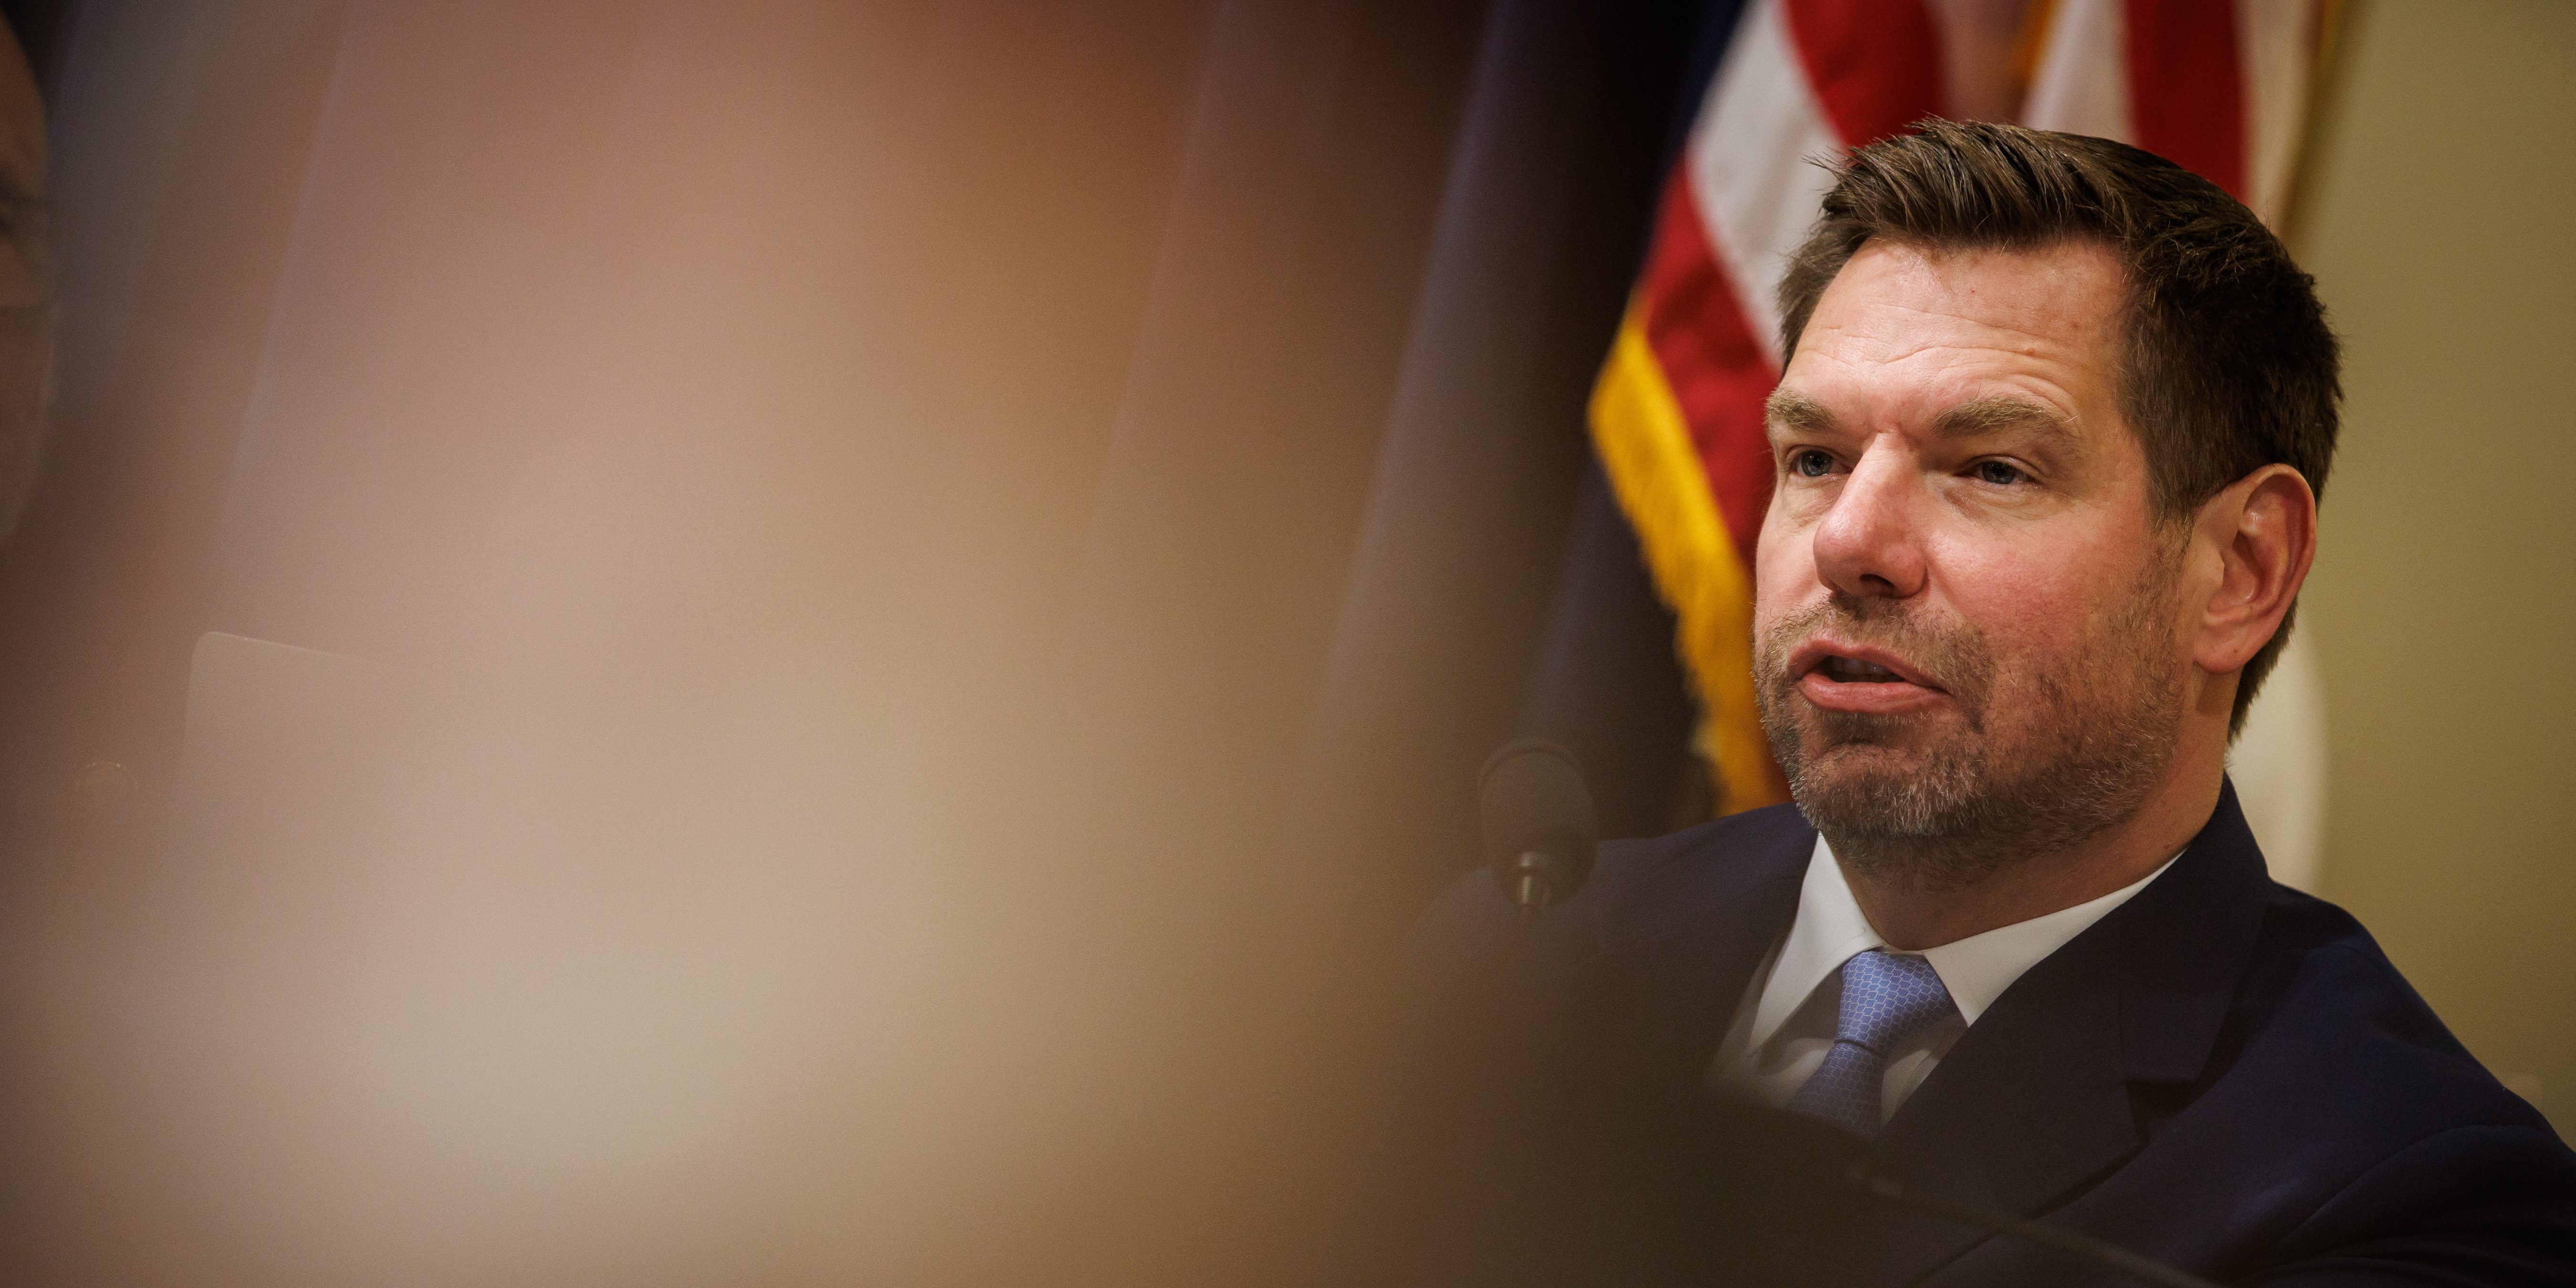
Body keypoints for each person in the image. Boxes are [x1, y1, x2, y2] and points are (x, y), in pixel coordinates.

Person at [1417, 121, 2576, 1285]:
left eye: (1990, 469)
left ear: (2239, 571)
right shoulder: (1517, 952)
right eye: (1812, 457)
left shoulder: (2409, 1190)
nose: (1850, 543)